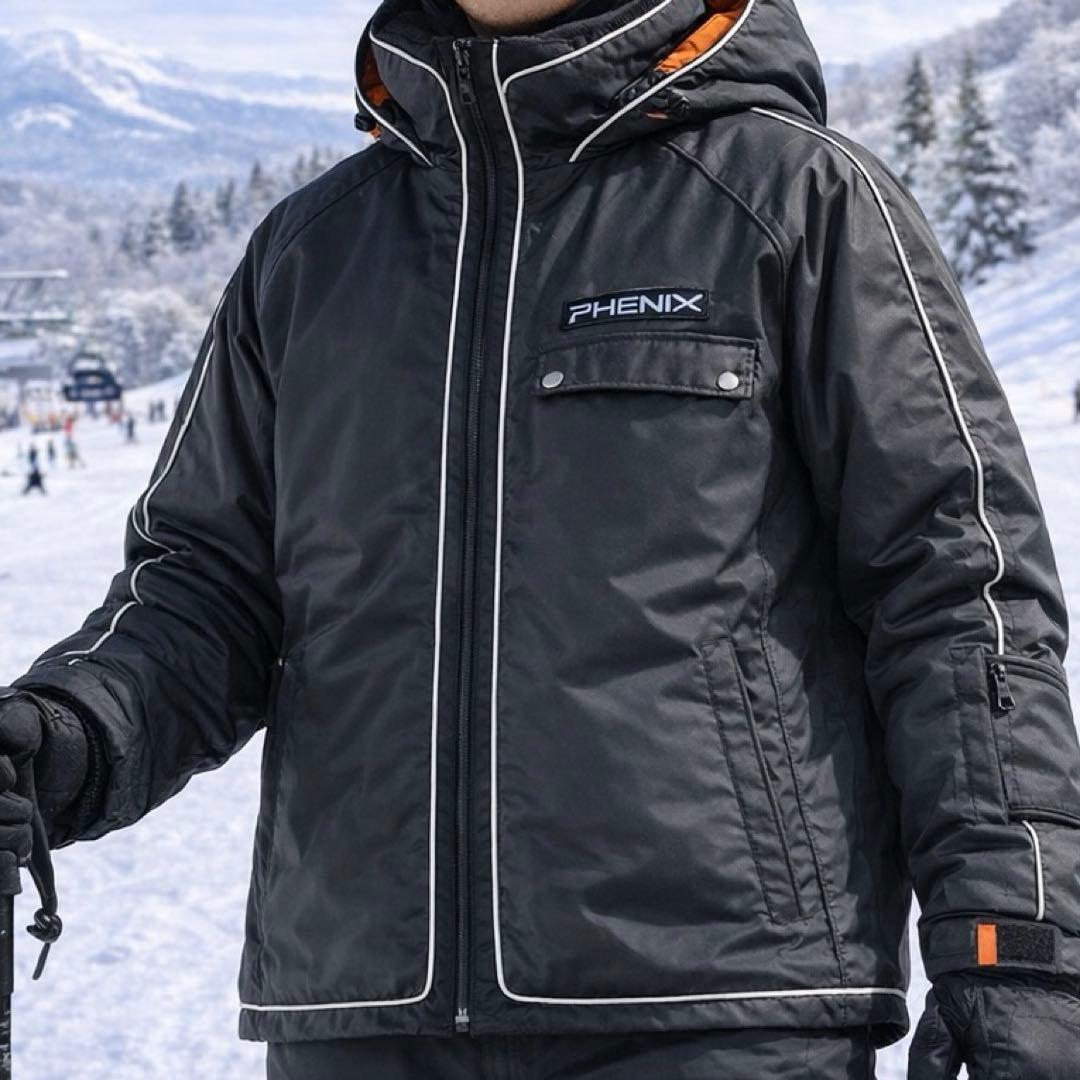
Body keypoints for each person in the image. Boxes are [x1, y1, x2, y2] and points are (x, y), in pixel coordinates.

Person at [1, 2, 1078, 1078]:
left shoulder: (795, 200)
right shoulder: (311, 253)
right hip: (364, 1015)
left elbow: (960, 594)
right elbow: (203, 591)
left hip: (719, 1011)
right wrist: (68, 732)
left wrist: (1020, 943)